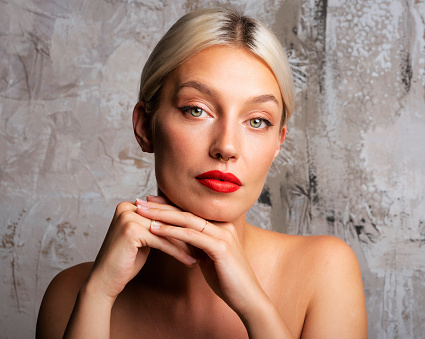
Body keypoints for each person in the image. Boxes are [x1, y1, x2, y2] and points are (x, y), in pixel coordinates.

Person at [36, 8, 367, 338]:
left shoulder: (325, 271)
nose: (226, 146)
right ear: (145, 127)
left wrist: (254, 305)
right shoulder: (72, 294)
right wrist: (98, 295)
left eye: (257, 121)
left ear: (278, 141)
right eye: (197, 110)